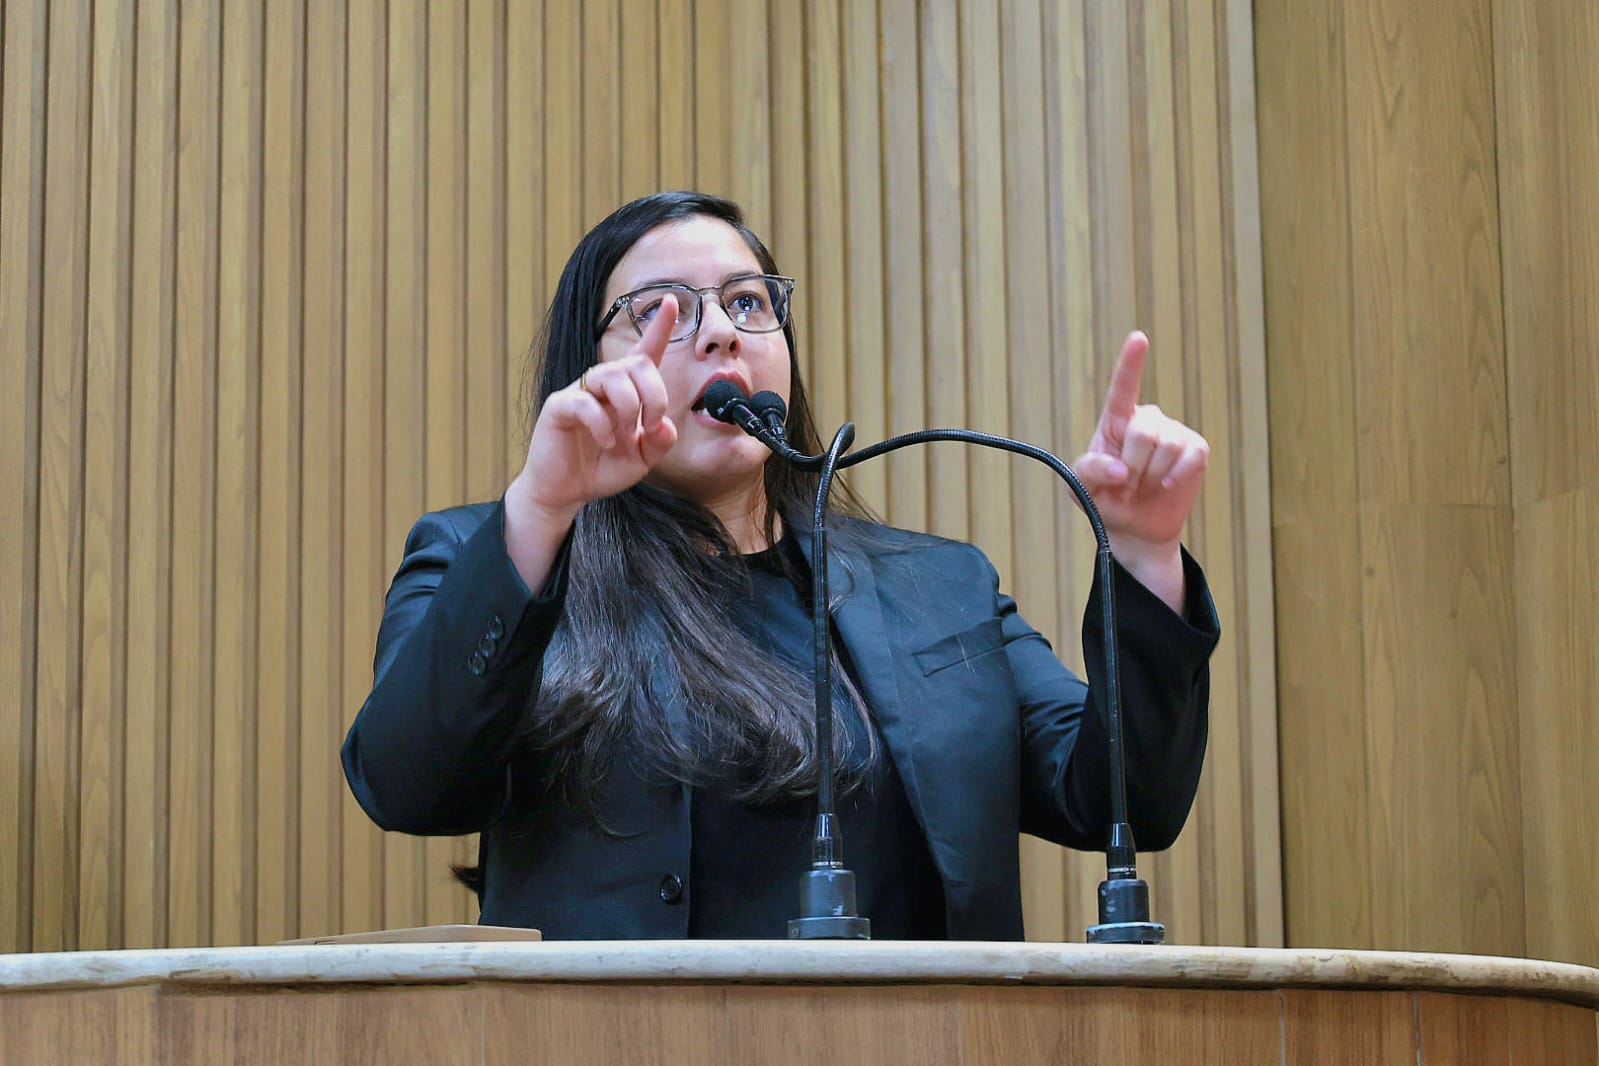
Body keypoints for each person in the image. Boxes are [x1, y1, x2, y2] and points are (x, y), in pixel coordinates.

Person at [341, 191, 1219, 941]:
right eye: (659, 310)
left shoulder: (940, 588)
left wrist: (1143, 554)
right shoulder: (496, 557)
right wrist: (539, 508)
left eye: (747, 302)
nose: (721, 333)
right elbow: (407, 785)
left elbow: (1123, 799)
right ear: (589, 368)